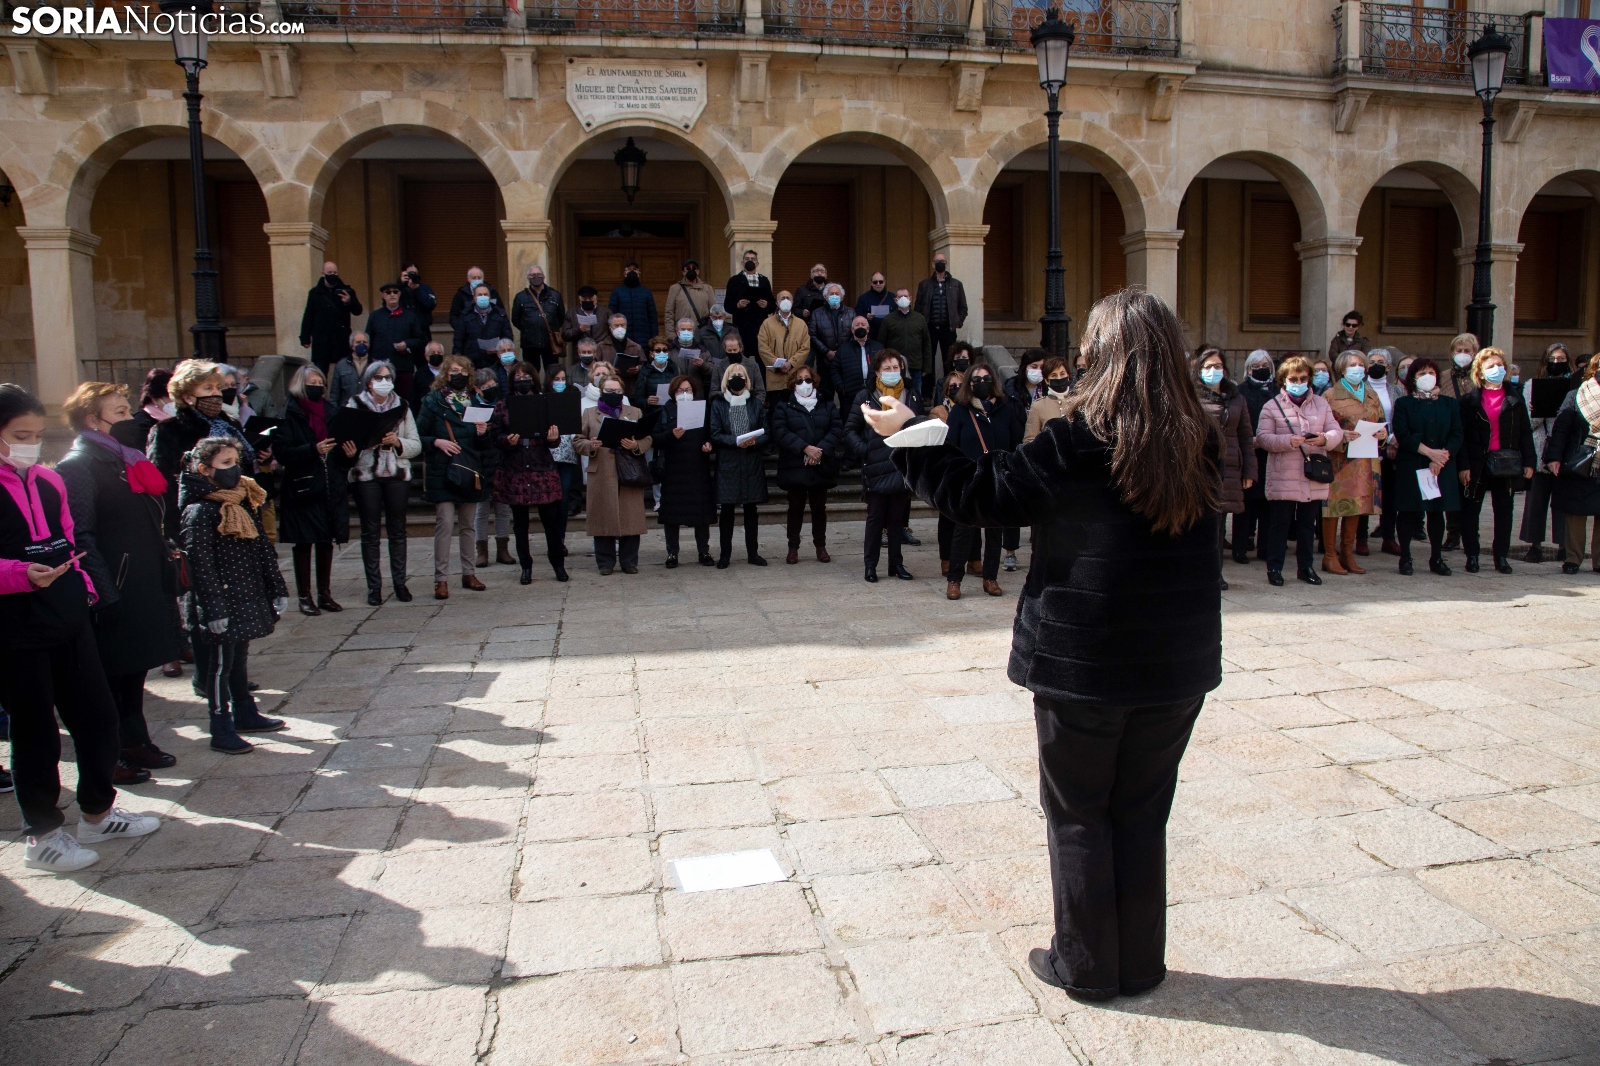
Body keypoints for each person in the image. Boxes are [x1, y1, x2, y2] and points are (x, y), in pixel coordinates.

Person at [862, 288, 1221, 1003]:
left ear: (1100, 356)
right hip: (1174, 664)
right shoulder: (1199, 436)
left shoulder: (1074, 440)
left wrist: (907, 432)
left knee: (1081, 813)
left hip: (1085, 663)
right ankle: (1140, 964)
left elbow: (978, 497)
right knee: (1143, 814)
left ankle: (1087, 965)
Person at [0, 385, 162, 873]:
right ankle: (43, 836)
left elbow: (68, 538)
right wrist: (17, 574)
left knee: (97, 717)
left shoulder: (48, 482)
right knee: (35, 733)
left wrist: (85, 584)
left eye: (34, 434)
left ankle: (98, 811)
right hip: (15, 625)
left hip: (67, 613)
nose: (28, 444)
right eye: (17, 436)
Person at [56, 382, 184, 784]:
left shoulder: (123, 459)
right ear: (94, 419)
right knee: (111, 675)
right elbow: (79, 533)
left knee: (134, 669)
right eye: (121, 412)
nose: (132, 418)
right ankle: (109, 755)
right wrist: (104, 590)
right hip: (113, 583)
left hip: (142, 577)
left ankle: (135, 739)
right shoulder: (78, 465)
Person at [179, 436, 289, 754]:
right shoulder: (200, 511)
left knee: (238, 658)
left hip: (245, 593)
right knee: (218, 667)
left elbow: (261, 549)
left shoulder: (241, 500)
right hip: (220, 601)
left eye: (236, 463)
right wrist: (213, 610)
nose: (234, 470)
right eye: (225, 464)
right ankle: (220, 726)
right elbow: (200, 566)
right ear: (204, 469)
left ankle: (245, 711)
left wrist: (276, 588)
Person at [1256, 355, 1342, 586]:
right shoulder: (1271, 406)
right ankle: (1274, 568)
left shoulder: (1321, 404)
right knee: (1279, 525)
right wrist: (1287, 441)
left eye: (1303, 378)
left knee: (1307, 525)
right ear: (1284, 380)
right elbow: (1263, 438)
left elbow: (1336, 432)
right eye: (1293, 378)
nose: (1299, 382)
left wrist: (1324, 439)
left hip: (1311, 474)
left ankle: (1306, 567)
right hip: (1284, 474)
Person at [148, 359, 256, 540]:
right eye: (208, 388)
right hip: (197, 524)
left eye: (217, 388)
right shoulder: (169, 430)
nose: (216, 394)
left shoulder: (231, 426)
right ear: (188, 397)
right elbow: (162, 483)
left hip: (239, 518)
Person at [943, 362, 1023, 599]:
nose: (982, 383)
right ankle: (954, 580)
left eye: (986, 378)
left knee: (994, 531)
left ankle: (990, 577)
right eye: (976, 379)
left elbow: (1015, 443)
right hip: (969, 479)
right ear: (969, 384)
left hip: (997, 478)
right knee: (963, 530)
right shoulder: (960, 411)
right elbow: (950, 446)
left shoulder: (1005, 410)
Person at [418, 353, 495, 598]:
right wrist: (437, 442)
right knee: (444, 524)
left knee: (468, 526)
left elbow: (485, 446)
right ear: (445, 375)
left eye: (462, 371)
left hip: (470, 470)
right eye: (453, 371)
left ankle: (468, 573)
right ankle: (441, 579)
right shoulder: (432, 401)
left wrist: (483, 433)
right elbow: (417, 437)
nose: (458, 375)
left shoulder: (475, 402)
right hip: (443, 469)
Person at [344, 360, 419, 605]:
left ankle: (400, 583)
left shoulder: (402, 406)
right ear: (369, 381)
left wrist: (397, 442)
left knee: (398, 530)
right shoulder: (355, 404)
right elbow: (346, 441)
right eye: (379, 377)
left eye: (388, 377)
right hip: (366, 473)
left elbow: (415, 444)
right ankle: (373, 587)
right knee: (370, 531)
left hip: (396, 473)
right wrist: (365, 443)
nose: (384, 381)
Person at [275, 365, 347, 616]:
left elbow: (340, 448)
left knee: (326, 539)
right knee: (304, 541)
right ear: (299, 384)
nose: (317, 385)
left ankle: (325, 594)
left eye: (320, 382)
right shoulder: (289, 412)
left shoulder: (330, 411)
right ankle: (304, 596)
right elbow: (282, 452)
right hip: (302, 484)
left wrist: (349, 454)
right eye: (312, 382)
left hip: (329, 483)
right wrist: (312, 450)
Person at [1457, 346, 1536, 574]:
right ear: (1480, 372)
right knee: (1470, 510)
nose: (1497, 369)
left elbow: (1525, 432)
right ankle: (1472, 554)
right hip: (1477, 462)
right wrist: (1463, 466)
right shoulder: (1469, 401)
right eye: (1491, 366)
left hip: (1506, 462)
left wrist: (1529, 462)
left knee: (1504, 511)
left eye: (1500, 365)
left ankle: (1501, 556)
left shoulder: (1515, 397)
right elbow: (1461, 436)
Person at [489, 362, 568, 585]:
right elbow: (495, 436)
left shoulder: (545, 403)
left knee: (550, 521)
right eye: (518, 377)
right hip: (515, 471)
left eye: (526, 376)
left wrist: (553, 438)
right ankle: (526, 566)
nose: (522, 380)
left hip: (541, 469)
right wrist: (507, 441)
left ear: (533, 379)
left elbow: (555, 438)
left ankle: (558, 564)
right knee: (520, 523)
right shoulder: (503, 406)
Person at [845, 349, 919, 582]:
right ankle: (870, 565)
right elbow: (850, 430)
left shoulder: (911, 395)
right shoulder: (865, 396)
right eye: (887, 368)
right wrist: (864, 449)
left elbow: (919, 424)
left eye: (895, 368)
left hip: (901, 464)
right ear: (877, 371)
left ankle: (896, 564)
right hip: (876, 465)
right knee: (875, 518)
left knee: (897, 519)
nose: (892, 372)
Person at [1392, 358, 1464, 576]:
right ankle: (1405, 557)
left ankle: (1436, 557)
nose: (1427, 377)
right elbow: (1403, 434)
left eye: (1431, 372)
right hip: (1413, 464)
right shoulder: (1404, 404)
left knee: (1436, 512)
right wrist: (1429, 452)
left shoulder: (1449, 403)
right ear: (1413, 378)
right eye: (1422, 373)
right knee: (1407, 512)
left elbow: (1457, 433)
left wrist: (1441, 457)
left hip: (1440, 466)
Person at [1193, 349, 1256, 590]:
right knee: (1201, 522)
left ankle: (1216, 573)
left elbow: (1246, 436)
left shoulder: (1237, 398)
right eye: (1207, 367)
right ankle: (1198, 571)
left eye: (1217, 366)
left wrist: (1249, 470)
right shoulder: (1193, 396)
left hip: (1229, 467)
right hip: (1201, 466)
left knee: (1219, 524)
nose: (1213, 371)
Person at [575, 374, 649, 574]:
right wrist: (590, 445)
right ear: (601, 391)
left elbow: (647, 438)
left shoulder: (634, 412)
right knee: (603, 516)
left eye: (617, 391)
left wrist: (636, 445)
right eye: (609, 390)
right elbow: (577, 440)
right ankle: (605, 563)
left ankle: (629, 561)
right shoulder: (590, 413)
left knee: (630, 516)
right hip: (601, 470)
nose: (613, 394)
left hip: (628, 469)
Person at [1322, 350, 1385, 575]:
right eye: (1352, 365)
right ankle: (1330, 554)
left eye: (1361, 364)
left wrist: (1382, 434)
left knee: (1356, 506)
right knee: (1334, 507)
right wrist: (1340, 436)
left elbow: (1380, 421)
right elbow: (1323, 426)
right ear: (1341, 369)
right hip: (1340, 461)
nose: (1358, 368)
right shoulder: (1330, 395)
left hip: (1365, 459)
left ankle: (1347, 554)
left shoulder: (1371, 394)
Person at [771, 364, 840, 565]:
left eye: (808, 379)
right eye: (799, 380)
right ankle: (793, 548)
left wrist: (819, 450)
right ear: (794, 383)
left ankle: (821, 546)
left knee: (819, 507)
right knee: (795, 507)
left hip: (821, 462)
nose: (804, 383)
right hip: (795, 464)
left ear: (814, 381)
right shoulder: (784, 404)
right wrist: (804, 448)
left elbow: (836, 428)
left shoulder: (826, 403)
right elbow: (780, 431)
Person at [708, 362, 770, 567]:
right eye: (733, 374)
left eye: (741, 375)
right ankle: (725, 555)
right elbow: (715, 433)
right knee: (726, 511)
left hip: (751, 461)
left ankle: (753, 553)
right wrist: (735, 441)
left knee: (751, 510)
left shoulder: (755, 403)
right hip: (729, 462)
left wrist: (754, 442)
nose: (737, 378)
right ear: (727, 378)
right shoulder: (718, 403)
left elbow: (766, 432)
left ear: (747, 379)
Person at [653, 374, 717, 568]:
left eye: (688, 390)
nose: (684, 393)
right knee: (672, 513)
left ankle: (703, 550)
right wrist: (671, 435)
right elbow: (655, 437)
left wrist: (709, 445)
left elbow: (710, 434)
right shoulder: (666, 410)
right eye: (681, 391)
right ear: (673, 393)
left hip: (697, 467)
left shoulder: (702, 409)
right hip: (674, 468)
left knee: (701, 512)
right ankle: (672, 552)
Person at [1544, 356, 1600, 575]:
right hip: (1581, 461)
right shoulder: (1576, 395)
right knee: (1576, 512)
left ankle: (1599, 561)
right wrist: (1554, 457)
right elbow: (1561, 429)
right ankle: (1573, 559)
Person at [1521, 342, 1573, 563]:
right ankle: (1534, 545)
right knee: (1536, 501)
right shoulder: (1532, 385)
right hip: (1540, 449)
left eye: (1561, 359)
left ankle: (1564, 545)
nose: (1556, 364)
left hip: (1564, 451)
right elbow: (1527, 421)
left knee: (1564, 500)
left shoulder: (1573, 385)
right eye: (1552, 359)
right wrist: (1541, 411)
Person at [1235, 350, 1278, 563]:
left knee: (1268, 505)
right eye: (1256, 366)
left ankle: (1264, 548)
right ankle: (1240, 548)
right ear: (1248, 369)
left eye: (1265, 365)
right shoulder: (1240, 392)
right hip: (1249, 453)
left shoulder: (1277, 392)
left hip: (1271, 454)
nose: (1261, 370)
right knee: (1246, 504)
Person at [472, 368, 513, 565]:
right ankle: (482, 550)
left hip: (501, 460)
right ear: (477, 389)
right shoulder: (470, 407)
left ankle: (503, 548)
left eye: (493, 385)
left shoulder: (503, 406)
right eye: (486, 387)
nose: (490, 389)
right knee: (481, 510)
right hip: (479, 463)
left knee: (503, 509)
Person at [914, 254, 968, 401]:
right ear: (933, 264)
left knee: (949, 361)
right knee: (928, 361)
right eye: (937, 262)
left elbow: (963, 307)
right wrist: (921, 325)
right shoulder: (924, 284)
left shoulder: (956, 284)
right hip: (929, 328)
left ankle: (949, 391)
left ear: (947, 263)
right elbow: (918, 307)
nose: (940, 264)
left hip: (948, 329)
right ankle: (926, 394)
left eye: (942, 262)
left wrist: (958, 322)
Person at [1364, 348, 1401, 555]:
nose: (1375, 365)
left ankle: (1388, 535)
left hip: (1391, 449)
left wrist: (1393, 439)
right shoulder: (1360, 388)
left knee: (1390, 494)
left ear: (1388, 367)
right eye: (1371, 361)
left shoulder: (1397, 391)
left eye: (1380, 362)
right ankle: (1361, 538)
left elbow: (1401, 415)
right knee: (1364, 492)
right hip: (1366, 447)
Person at [365, 281, 427, 402]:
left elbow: (421, 339)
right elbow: (369, 341)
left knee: (404, 400)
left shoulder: (410, 316)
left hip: (403, 367)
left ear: (400, 294)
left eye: (395, 292)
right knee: (380, 400)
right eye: (388, 292)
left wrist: (407, 344)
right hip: (380, 368)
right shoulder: (375, 316)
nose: (392, 294)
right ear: (383, 295)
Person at [299, 262, 363, 372]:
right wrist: (305, 337)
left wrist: (349, 302)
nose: (332, 275)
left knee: (343, 373)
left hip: (341, 340)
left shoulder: (347, 291)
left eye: (335, 272)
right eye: (329, 272)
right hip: (321, 340)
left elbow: (358, 311)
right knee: (320, 373)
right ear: (323, 274)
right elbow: (308, 315)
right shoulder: (315, 293)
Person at [758, 289, 811, 410]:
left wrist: (791, 363)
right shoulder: (767, 324)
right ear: (777, 303)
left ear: (792, 302)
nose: (785, 301)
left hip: (795, 379)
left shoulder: (801, 324)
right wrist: (778, 364)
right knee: (776, 414)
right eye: (782, 298)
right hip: (775, 380)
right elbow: (763, 347)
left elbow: (805, 348)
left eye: (788, 298)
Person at [510, 264, 565, 373]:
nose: (536, 277)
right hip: (529, 343)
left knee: (552, 372)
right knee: (530, 372)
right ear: (528, 278)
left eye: (539, 275)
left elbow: (561, 317)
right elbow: (516, 319)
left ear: (544, 277)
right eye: (533, 275)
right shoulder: (520, 297)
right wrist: (529, 328)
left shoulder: (555, 295)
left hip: (550, 343)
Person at [544, 365, 583, 521]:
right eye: (556, 379)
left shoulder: (572, 397)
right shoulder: (543, 398)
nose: (560, 382)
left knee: (564, 494)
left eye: (563, 379)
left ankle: (561, 536)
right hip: (547, 454)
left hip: (567, 454)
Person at [879, 287, 931, 400]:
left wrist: (926, 366)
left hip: (915, 365)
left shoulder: (919, 318)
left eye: (905, 296)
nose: (903, 299)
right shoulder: (888, 319)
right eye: (900, 296)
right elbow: (881, 343)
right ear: (895, 300)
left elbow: (926, 343)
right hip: (895, 367)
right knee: (897, 396)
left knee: (915, 395)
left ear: (910, 298)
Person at [726, 249, 775, 356]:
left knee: (760, 356)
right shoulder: (734, 280)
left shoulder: (764, 280)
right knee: (742, 355)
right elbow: (727, 306)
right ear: (742, 262)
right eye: (747, 259)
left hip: (760, 326)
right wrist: (737, 305)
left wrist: (766, 305)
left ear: (757, 263)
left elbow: (772, 305)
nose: (750, 261)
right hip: (742, 325)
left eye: (753, 259)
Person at [810, 282, 852, 403]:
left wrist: (841, 353)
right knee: (825, 396)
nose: (834, 296)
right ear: (826, 296)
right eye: (831, 294)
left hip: (844, 362)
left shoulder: (851, 313)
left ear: (842, 296)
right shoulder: (817, 313)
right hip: (824, 361)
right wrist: (826, 351)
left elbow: (853, 336)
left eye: (837, 294)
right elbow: (812, 335)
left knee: (845, 397)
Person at [455, 282, 514, 369]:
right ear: (474, 298)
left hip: (495, 363)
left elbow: (508, 337)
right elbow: (458, 341)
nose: (483, 296)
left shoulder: (500, 314)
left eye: (485, 294)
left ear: (489, 297)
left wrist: (499, 348)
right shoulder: (465, 315)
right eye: (480, 294)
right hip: (472, 363)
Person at [834, 315, 879, 414]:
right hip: (850, 395)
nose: (860, 326)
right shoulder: (843, 349)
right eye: (857, 325)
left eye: (863, 324)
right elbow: (835, 369)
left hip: (874, 392)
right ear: (852, 329)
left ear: (868, 329)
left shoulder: (878, 347)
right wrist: (841, 388)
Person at [1024, 356, 1073, 444]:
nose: (1059, 378)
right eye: (1054, 375)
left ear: (1068, 376)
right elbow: (1029, 441)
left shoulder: (1078, 401)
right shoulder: (1038, 406)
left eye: (1062, 374)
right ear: (1047, 380)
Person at [712, 330, 766, 407]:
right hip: (726, 406)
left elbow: (760, 391)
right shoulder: (718, 366)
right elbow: (713, 392)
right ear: (725, 349)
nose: (732, 352)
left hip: (749, 405)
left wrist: (755, 406)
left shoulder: (752, 365)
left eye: (735, 350)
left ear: (741, 348)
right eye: (729, 350)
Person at [130, 366, 175, 451]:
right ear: (155, 399)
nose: (176, 402)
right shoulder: (140, 425)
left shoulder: (180, 421)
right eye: (171, 397)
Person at [327, 330, 372, 412]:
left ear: (368, 345)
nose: (362, 344)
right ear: (351, 345)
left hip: (369, 411)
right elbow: (334, 394)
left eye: (364, 342)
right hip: (347, 411)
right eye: (358, 342)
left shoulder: (375, 365)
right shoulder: (341, 365)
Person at [448, 266, 501, 335]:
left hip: (490, 333)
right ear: (468, 279)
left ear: (483, 278)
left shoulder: (492, 292)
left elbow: (500, 312)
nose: (477, 280)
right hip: (468, 335)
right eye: (474, 278)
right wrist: (461, 329)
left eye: (479, 277)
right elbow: (454, 316)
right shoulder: (460, 294)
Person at [666, 258, 715, 330]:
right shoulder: (675, 289)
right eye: (688, 269)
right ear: (683, 272)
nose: (691, 271)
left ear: (698, 271)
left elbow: (714, 312)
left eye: (694, 268)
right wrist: (671, 335)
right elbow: (669, 313)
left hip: (702, 332)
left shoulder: (707, 288)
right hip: (682, 332)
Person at [597, 311, 646, 384]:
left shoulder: (636, 347)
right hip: (608, 385)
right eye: (616, 325)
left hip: (630, 385)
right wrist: (608, 369)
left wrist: (637, 369)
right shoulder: (601, 346)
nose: (620, 328)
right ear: (610, 329)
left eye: (622, 325)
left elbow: (644, 365)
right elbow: (595, 366)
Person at [635, 335, 678, 413]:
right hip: (654, 413)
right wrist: (647, 401)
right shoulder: (645, 372)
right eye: (658, 351)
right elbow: (638, 399)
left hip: (672, 413)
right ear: (652, 353)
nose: (661, 353)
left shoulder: (675, 369)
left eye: (664, 350)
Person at [854, 272, 894, 342]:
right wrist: (866, 316)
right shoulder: (863, 298)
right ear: (871, 283)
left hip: (890, 335)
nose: (878, 284)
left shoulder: (892, 297)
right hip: (871, 336)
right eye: (875, 282)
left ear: (885, 282)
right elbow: (857, 314)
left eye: (880, 282)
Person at [397, 260, 437, 329]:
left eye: (415, 273)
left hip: (422, 327)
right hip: (403, 327)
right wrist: (400, 284)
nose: (412, 276)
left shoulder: (425, 288)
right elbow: (389, 303)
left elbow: (431, 304)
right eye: (410, 273)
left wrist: (417, 289)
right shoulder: (397, 289)